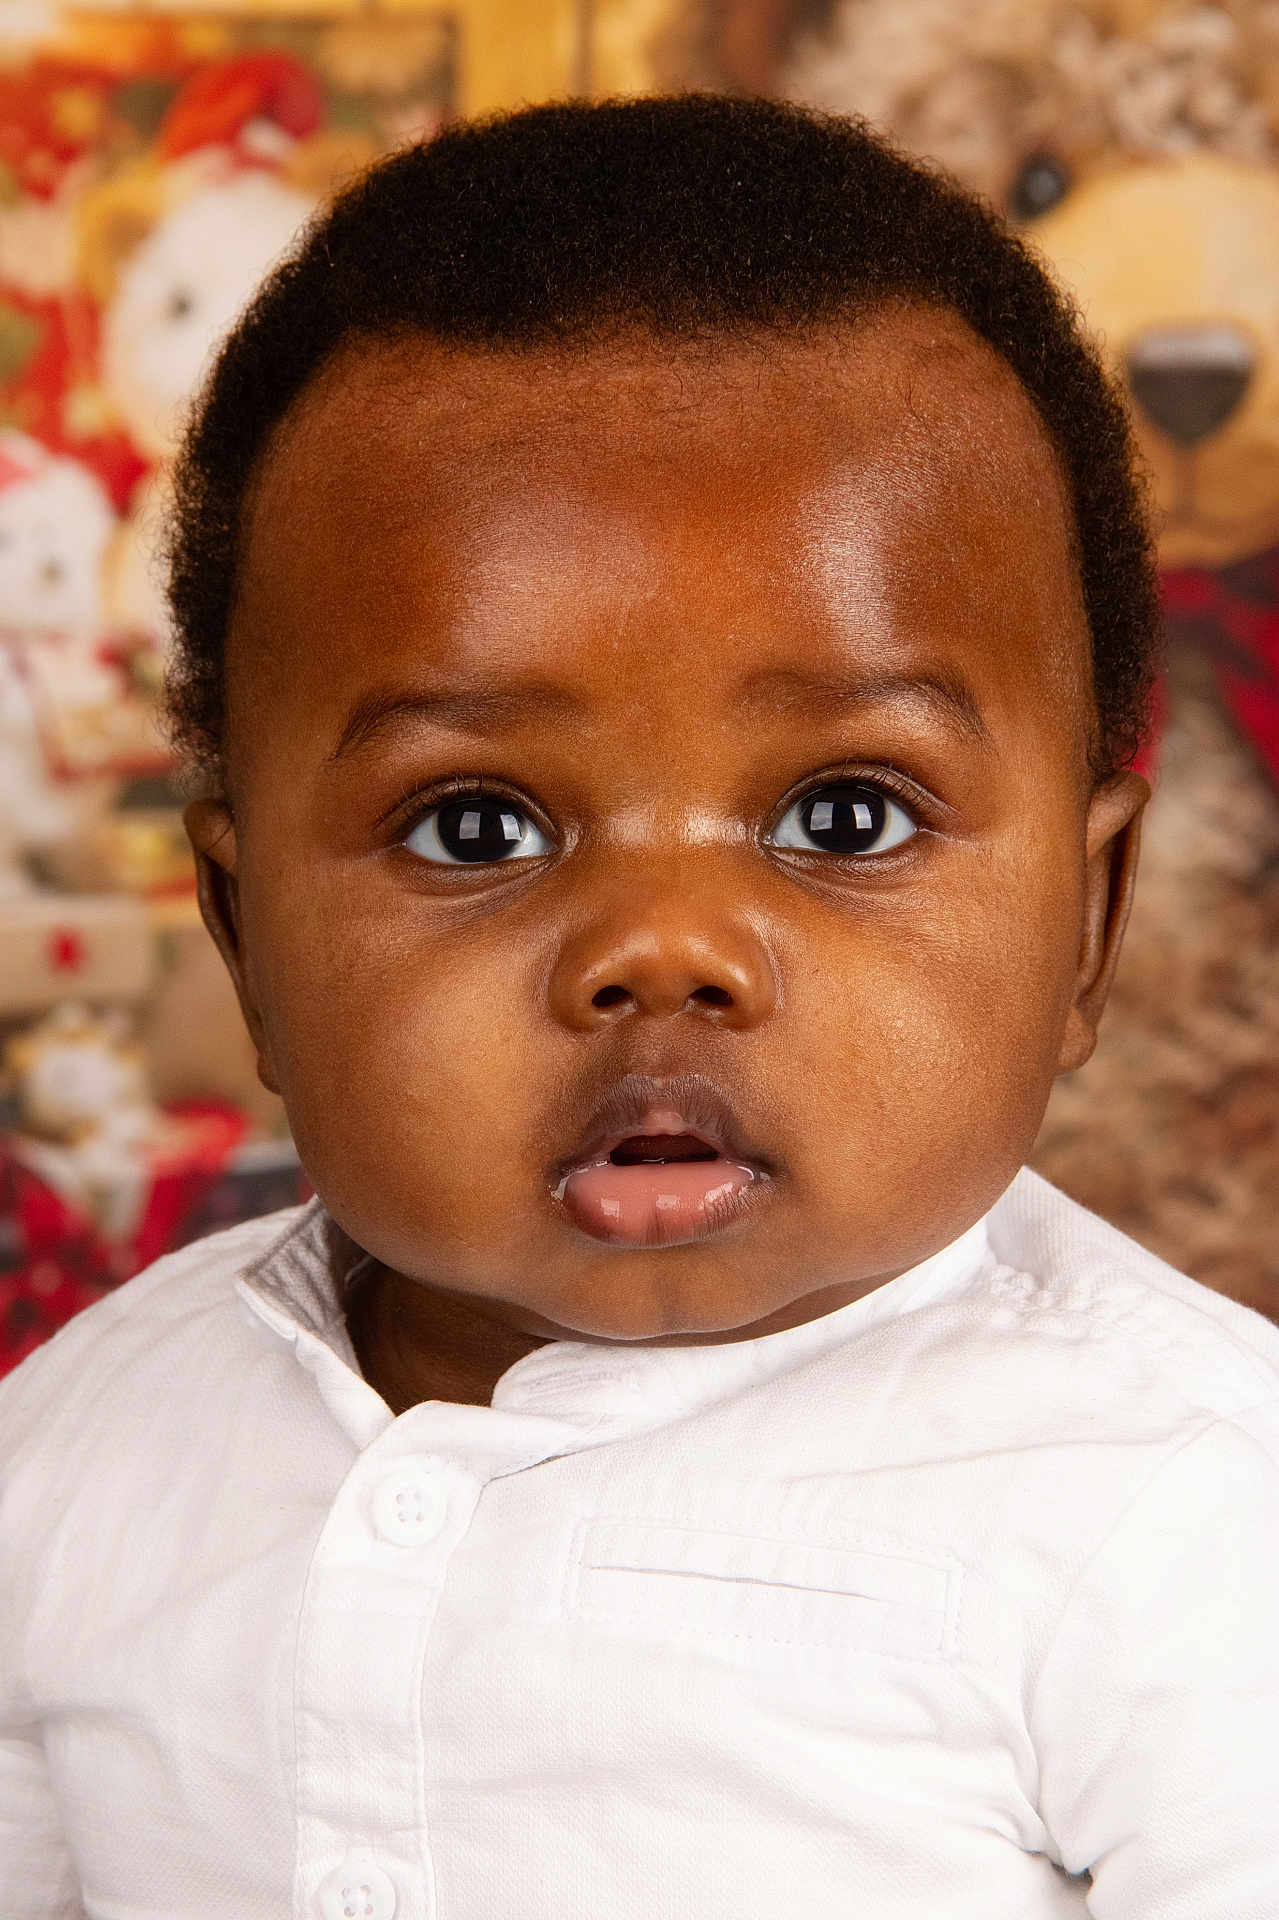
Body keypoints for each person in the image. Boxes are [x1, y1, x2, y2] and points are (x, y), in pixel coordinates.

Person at [2, 94, 1276, 1919]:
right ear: (241, 931)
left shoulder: (1192, 1513)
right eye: (475, 825)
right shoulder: (87, 1450)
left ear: (1089, 924)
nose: (665, 950)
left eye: (846, 816)